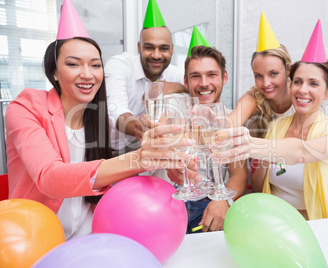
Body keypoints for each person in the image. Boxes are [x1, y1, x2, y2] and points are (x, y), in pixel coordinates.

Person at [5, 0, 198, 240]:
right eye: (73, 64)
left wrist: (165, 162)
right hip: (36, 239)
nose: (87, 74)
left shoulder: (98, 117)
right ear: (54, 71)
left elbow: (114, 168)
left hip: (92, 236)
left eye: (95, 65)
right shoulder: (25, 107)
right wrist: (141, 158)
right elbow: (50, 177)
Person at [209, 20, 328, 220]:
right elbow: (260, 186)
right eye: (299, 82)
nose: (303, 89)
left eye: (314, 83)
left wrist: (247, 145)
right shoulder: (276, 125)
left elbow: (301, 152)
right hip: (272, 220)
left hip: (315, 224)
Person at [105, 0, 186, 151]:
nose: (156, 55)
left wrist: (179, 87)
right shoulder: (119, 65)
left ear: (172, 49)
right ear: (139, 47)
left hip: (150, 149)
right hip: (112, 151)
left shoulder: (173, 72)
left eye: (163, 48)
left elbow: (196, 90)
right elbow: (116, 110)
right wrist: (137, 125)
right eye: (149, 47)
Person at [184, 44, 248, 233]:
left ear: (224, 77)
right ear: (185, 82)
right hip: (171, 203)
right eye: (195, 76)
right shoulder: (173, 116)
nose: (204, 83)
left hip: (209, 204)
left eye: (211, 75)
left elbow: (239, 174)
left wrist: (223, 201)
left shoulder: (231, 119)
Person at [228, 12, 294, 138]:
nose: (265, 83)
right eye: (258, 76)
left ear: (288, 70)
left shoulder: (300, 97)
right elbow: (230, 124)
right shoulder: (254, 98)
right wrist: (216, 124)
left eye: (273, 74)